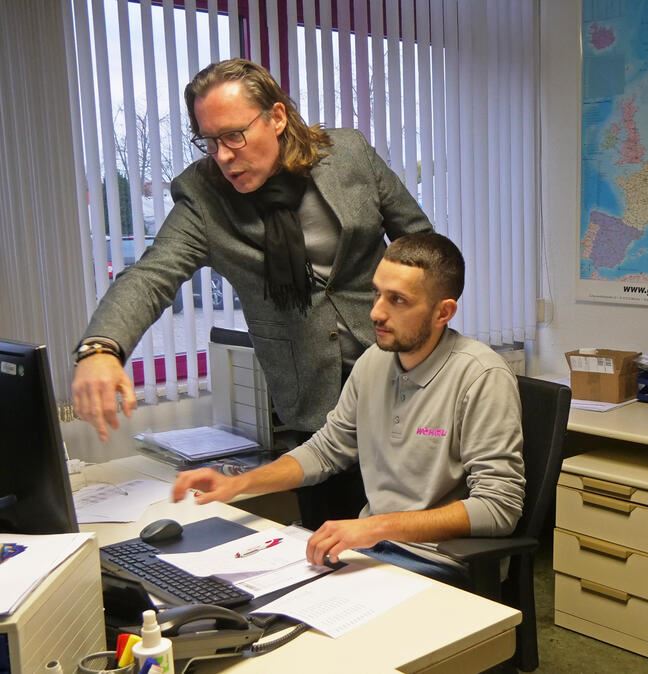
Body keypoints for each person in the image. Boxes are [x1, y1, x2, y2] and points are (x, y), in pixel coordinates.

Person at [71, 59, 431, 528]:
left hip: (401, 368)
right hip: (312, 394)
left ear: (276, 118)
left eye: (233, 136)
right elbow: (150, 276)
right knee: (334, 536)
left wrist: (428, 327)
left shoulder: (350, 155)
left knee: (415, 523)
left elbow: (421, 242)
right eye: (209, 141)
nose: (221, 155)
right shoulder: (204, 197)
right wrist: (101, 347)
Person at [171, 232, 525, 585]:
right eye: (377, 293)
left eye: (397, 300)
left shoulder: (481, 376)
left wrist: (375, 527)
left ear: (442, 312)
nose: (376, 312)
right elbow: (325, 450)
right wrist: (239, 484)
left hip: (438, 562)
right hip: (374, 551)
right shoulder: (374, 361)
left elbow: (498, 508)